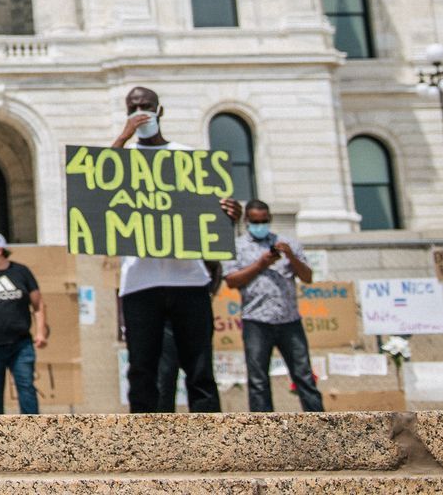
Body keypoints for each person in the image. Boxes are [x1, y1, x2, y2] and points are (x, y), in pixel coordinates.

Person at [111, 86, 238, 413]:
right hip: (139, 282)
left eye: (147, 105)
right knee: (142, 369)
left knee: (199, 368)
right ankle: (144, 444)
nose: (141, 111)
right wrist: (123, 138)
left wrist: (227, 217)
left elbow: (209, 215)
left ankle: (209, 442)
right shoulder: (122, 158)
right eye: (133, 106)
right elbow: (95, 183)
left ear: (160, 110)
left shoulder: (187, 156)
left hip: (189, 279)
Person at [222, 200, 323, 413]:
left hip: (289, 320)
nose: (260, 224)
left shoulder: (287, 243)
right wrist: (261, 264)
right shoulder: (238, 246)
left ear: (270, 219)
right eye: (255, 221)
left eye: (264, 221)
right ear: (247, 221)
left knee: (304, 375)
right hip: (256, 321)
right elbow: (231, 280)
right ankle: (262, 431)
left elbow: (308, 277)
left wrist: (291, 256)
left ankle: (320, 425)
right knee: (258, 380)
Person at [0, 230, 47, 415]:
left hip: (20, 343)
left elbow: (38, 305)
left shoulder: (21, 272)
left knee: (26, 388)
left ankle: (33, 431)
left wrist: (41, 332)